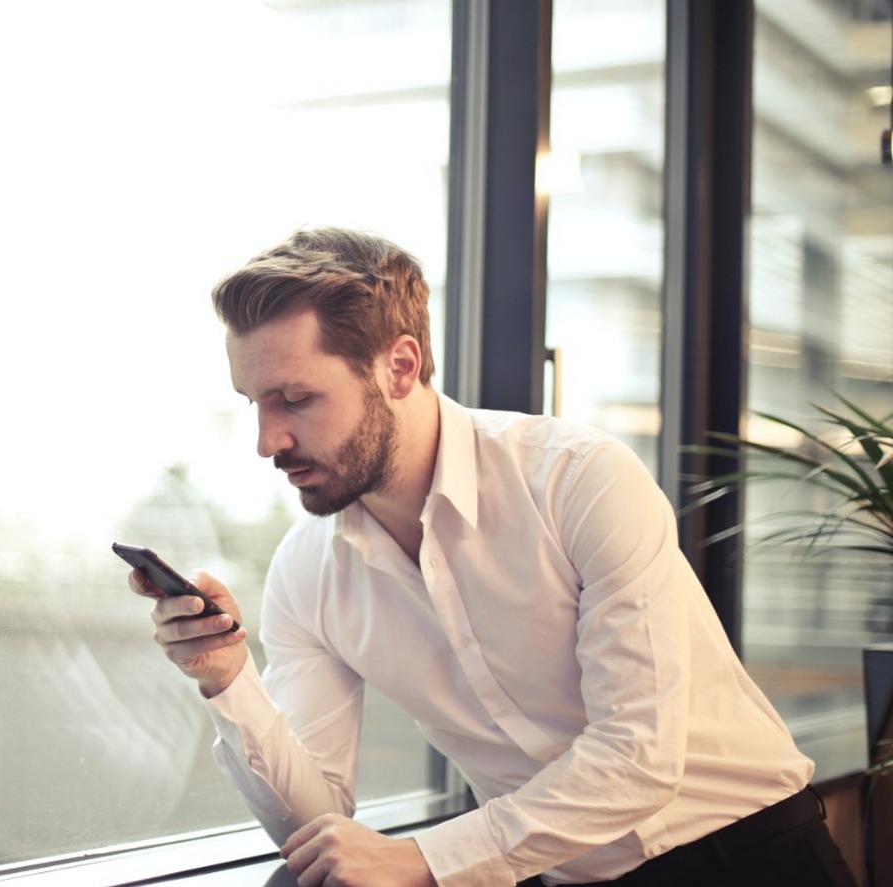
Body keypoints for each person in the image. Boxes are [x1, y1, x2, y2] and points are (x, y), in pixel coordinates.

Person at [125, 227, 857, 887]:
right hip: (555, 874)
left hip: (748, 855)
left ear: (400, 366)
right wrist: (228, 682)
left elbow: (638, 757)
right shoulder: (306, 571)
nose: (267, 440)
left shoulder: (578, 478)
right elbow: (318, 831)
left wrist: (425, 858)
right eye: (255, 401)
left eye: (295, 399)